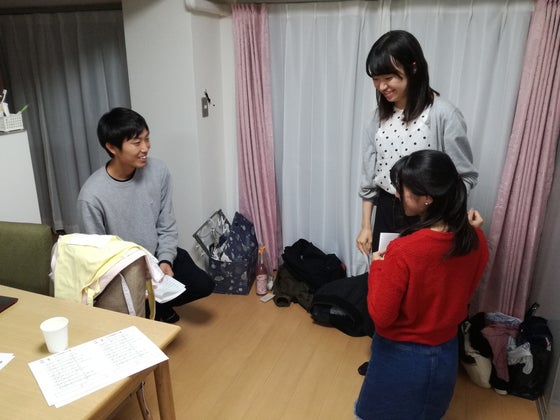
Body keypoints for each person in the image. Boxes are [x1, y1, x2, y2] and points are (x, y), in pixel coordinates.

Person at [354, 150, 489, 420]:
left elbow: (381, 316)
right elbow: (463, 287)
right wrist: (475, 230)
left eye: (401, 190)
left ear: (427, 197)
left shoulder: (404, 250)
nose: (396, 195)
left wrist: (378, 266)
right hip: (445, 355)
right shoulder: (475, 239)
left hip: (400, 359)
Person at [77, 107, 215, 323]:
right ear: (111, 147)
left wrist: (165, 260)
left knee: (204, 285)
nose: (145, 148)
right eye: (136, 142)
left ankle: (159, 305)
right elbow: (97, 258)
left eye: (147, 139)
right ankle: (154, 307)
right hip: (123, 269)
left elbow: (166, 224)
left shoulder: (158, 171)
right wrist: (135, 280)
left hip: (156, 255)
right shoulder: (92, 196)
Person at [356, 30, 479, 255]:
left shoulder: (444, 114)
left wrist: (445, 222)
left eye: (388, 78)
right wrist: (366, 226)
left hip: (429, 214)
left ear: (413, 68)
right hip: (386, 209)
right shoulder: (376, 120)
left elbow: (465, 177)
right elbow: (369, 178)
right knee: (383, 270)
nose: (381, 86)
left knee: (421, 273)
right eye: (376, 79)